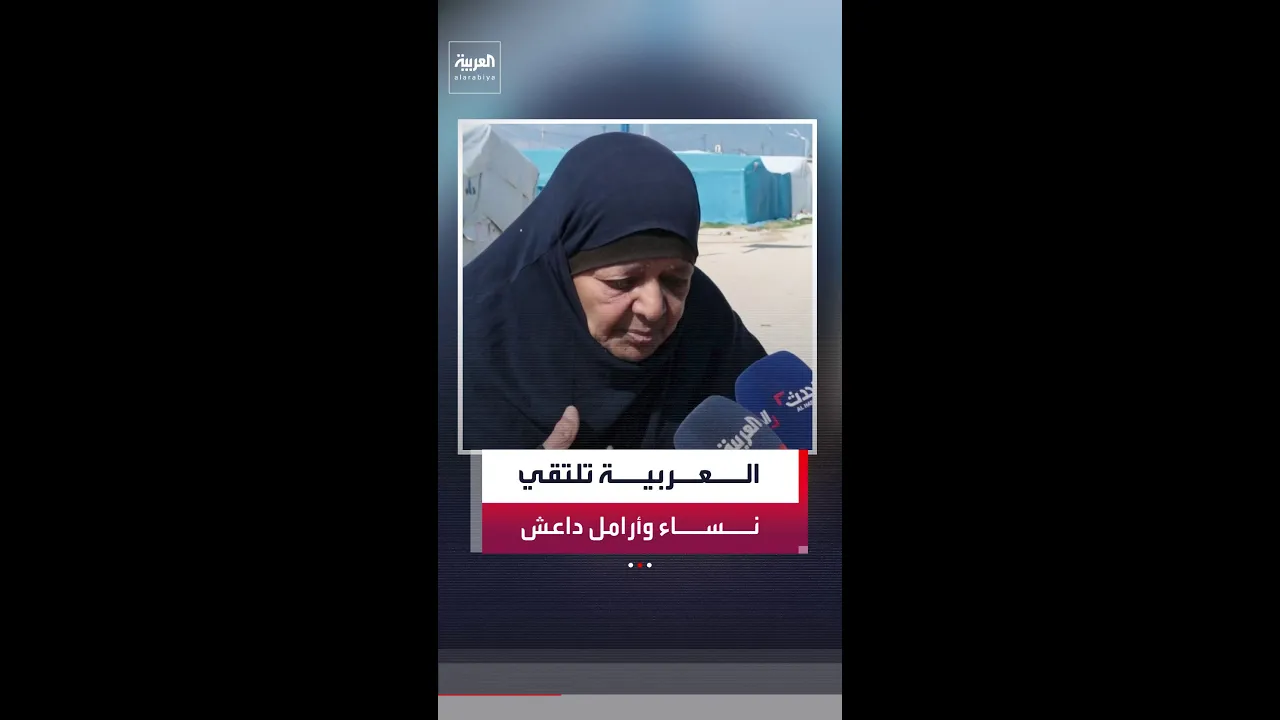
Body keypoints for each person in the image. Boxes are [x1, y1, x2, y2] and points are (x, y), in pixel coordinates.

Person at [461, 132, 766, 450]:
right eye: (622, 283)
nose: (654, 308)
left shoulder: (706, 321)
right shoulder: (467, 347)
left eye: (675, 280)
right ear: (562, 269)